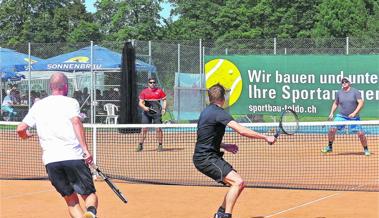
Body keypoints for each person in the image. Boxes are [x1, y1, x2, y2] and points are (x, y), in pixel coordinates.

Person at [16, 72, 99, 218]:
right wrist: (85, 149)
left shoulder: (38, 105)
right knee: (89, 195)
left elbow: (21, 129)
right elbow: (76, 122)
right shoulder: (71, 102)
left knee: (71, 202)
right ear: (66, 86)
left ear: (50, 86)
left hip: (51, 161)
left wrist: (25, 136)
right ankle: (91, 213)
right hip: (73, 156)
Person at [193, 84, 276, 218]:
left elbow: (207, 137)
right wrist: (265, 136)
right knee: (238, 182)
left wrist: (224, 146)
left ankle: (220, 214)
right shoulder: (218, 113)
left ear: (210, 98)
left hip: (206, 157)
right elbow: (241, 130)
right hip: (206, 159)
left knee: (237, 184)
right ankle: (226, 216)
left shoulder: (206, 112)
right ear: (223, 98)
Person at [321, 77, 370, 156]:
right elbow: (336, 103)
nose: (344, 83)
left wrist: (354, 113)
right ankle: (329, 147)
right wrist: (331, 113)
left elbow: (361, 103)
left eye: (346, 81)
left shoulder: (355, 92)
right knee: (331, 130)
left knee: (361, 134)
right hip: (341, 116)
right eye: (342, 82)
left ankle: (366, 149)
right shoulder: (339, 93)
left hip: (354, 117)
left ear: (349, 82)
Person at [136, 78, 167, 152]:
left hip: (157, 113)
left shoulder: (159, 91)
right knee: (144, 129)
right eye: (151, 82)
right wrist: (144, 107)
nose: (152, 84)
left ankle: (160, 145)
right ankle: (140, 145)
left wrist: (164, 109)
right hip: (146, 113)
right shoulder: (144, 92)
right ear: (148, 83)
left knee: (158, 129)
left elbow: (164, 100)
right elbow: (140, 102)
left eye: (154, 82)